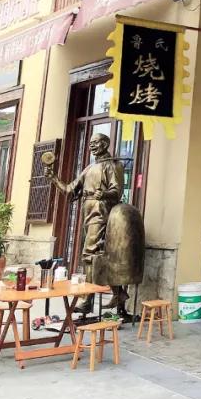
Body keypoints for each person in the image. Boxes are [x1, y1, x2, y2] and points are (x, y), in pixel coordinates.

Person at [45, 133, 124, 314]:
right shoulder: (90, 167)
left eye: (95, 143)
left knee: (89, 253)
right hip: (87, 210)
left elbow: (117, 191)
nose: (91, 146)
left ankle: (88, 299)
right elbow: (70, 190)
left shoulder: (112, 165)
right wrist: (54, 178)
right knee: (94, 254)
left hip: (101, 211)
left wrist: (104, 194)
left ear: (105, 144)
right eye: (90, 143)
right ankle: (119, 294)